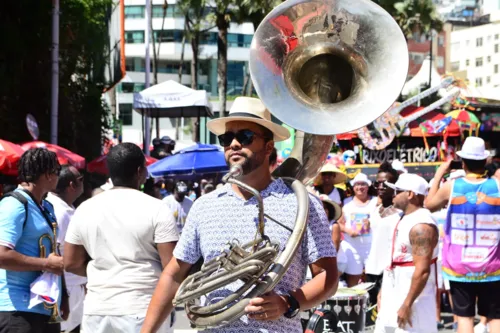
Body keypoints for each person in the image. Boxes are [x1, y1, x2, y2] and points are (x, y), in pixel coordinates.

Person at [141, 96, 338, 333]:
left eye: (245, 137)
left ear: (268, 146)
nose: (233, 144)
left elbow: (328, 276)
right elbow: (174, 275)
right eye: (226, 138)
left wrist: (290, 302)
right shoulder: (204, 206)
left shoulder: (303, 203)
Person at [63, 143, 179, 333]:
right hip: (142, 309)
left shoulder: (85, 208)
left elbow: (71, 262)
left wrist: (104, 271)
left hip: (97, 310)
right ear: (140, 171)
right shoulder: (157, 209)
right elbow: (172, 267)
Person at [425, 137, 500, 333]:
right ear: (485, 161)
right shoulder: (498, 185)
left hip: (460, 266)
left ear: (462, 162)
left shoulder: (452, 186)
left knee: (465, 319)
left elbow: (429, 204)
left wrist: (441, 171)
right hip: (492, 265)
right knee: (495, 318)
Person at [0, 148, 67, 333]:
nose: (58, 177)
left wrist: (64, 298)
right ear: (47, 174)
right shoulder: (13, 205)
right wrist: (46, 263)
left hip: (43, 308)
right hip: (16, 311)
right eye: (57, 172)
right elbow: (1, 255)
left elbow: (54, 254)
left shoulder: (47, 207)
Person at [376, 173, 439, 333]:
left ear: (410, 194)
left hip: (413, 298)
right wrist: (384, 290)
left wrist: (407, 304)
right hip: (394, 290)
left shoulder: (422, 225)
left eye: (398, 191)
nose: (394, 195)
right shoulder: (403, 217)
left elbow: (423, 271)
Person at [46, 165, 85, 333]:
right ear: (72, 185)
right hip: (67, 288)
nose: (84, 183)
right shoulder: (59, 212)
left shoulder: (65, 208)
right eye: (81, 180)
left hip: (73, 286)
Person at [365, 163, 401, 311]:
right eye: (377, 183)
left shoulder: (400, 212)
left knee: (387, 310)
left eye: (384, 183)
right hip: (372, 268)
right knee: (374, 312)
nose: (380, 186)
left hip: (390, 269)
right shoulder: (375, 210)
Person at [339, 172, 378, 287]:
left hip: (371, 246)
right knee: (353, 280)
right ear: (353, 187)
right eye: (357, 184)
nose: (360, 187)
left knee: (372, 278)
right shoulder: (346, 202)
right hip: (352, 246)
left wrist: (372, 223)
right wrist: (348, 231)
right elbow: (339, 223)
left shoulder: (376, 201)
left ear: (368, 186)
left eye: (363, 184)